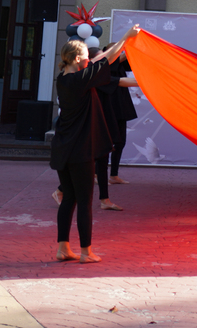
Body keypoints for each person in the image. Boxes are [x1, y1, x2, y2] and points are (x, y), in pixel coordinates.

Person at [51, 26, 139, 263]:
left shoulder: (65, 78)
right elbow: (107, 60)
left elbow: (101, 60)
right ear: (78, 59)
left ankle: (62, 249)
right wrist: (125, 38)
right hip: (80, 150)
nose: (90, 61)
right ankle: (86, 252)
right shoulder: (79, 80)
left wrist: (124, 40)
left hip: (63, 148)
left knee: (68, 198)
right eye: (86, 58)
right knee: (85, 202)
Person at [96, 50, 140, 206]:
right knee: (102, 151)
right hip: (108, 109)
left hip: (121, 107)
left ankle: (113, 175)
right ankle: (63, 189)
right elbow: (117, 65)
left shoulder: (117, 65)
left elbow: (132, 63)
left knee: (119, 142)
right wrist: (128, 45)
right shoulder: (101, 68)